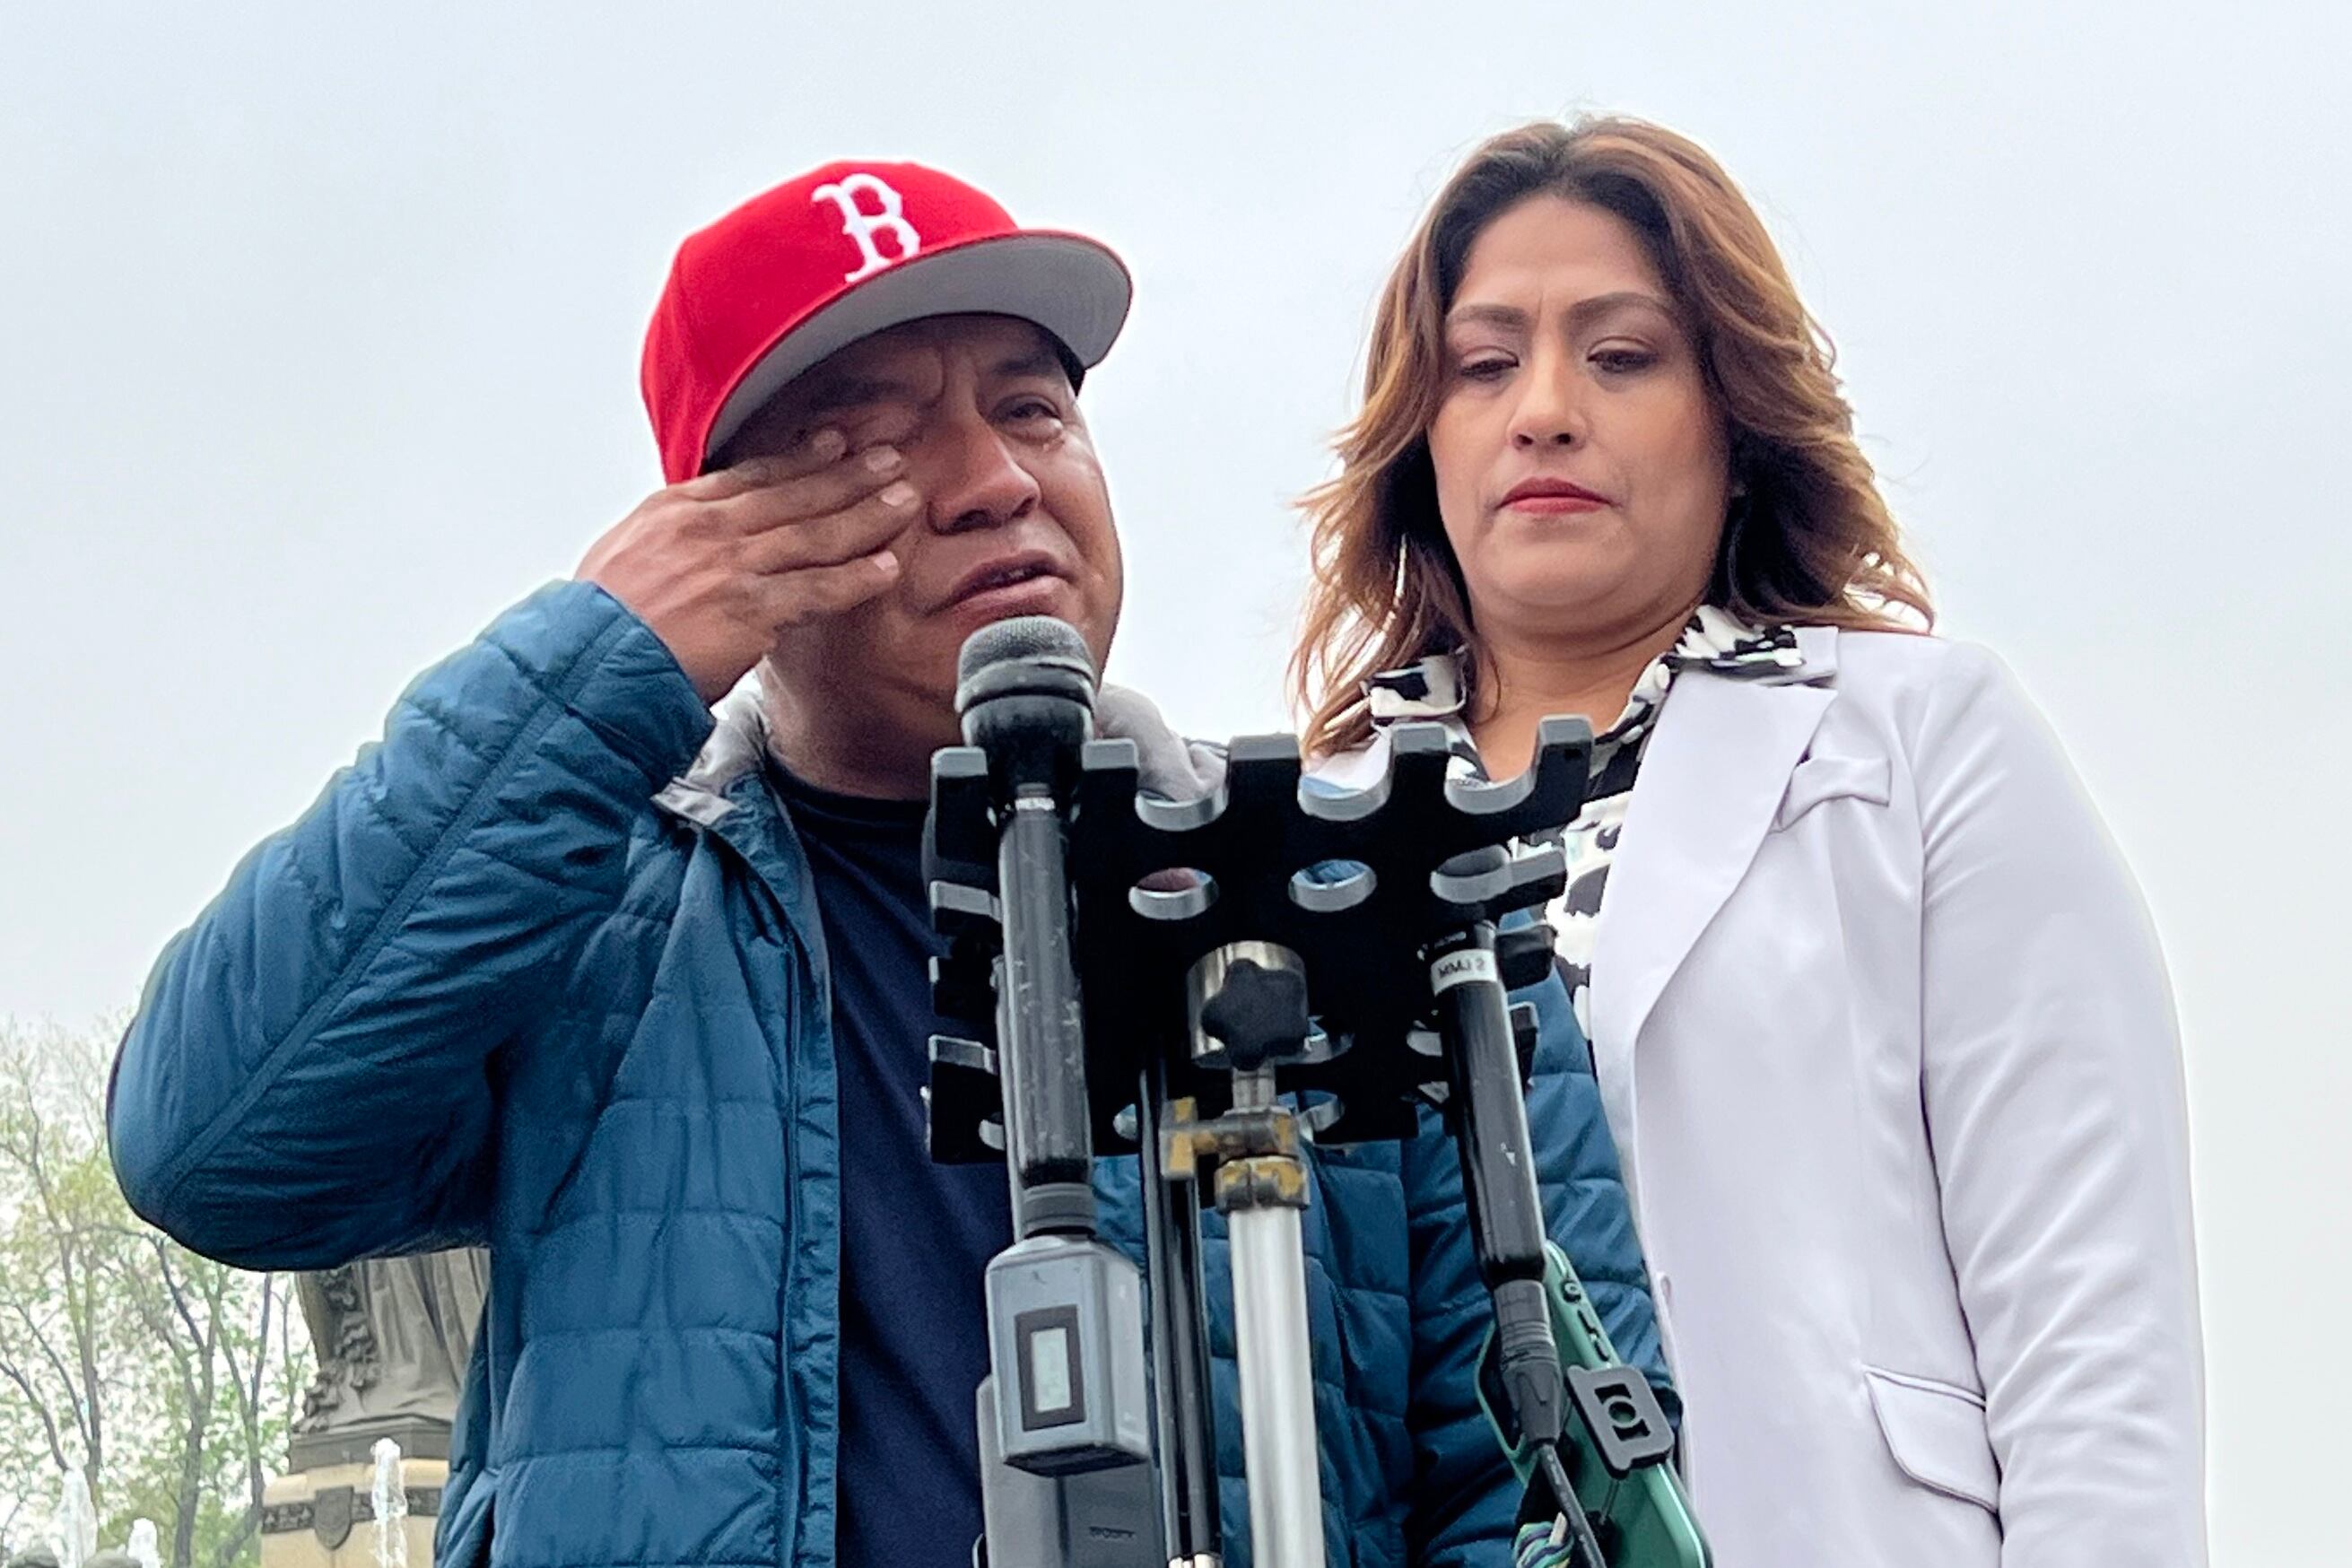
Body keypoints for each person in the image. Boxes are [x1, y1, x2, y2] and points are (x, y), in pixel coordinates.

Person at [106, 160, 1668, 1568]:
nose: (993, 477)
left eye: (1034, 409)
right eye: (865, 442)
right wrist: (596, 670)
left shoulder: (1354, 892)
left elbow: (1538, 1479)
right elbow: (218, 1147)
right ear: (720, 535)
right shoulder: (590, 933)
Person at [1294, 118, 2205, 1565]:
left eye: (1619, 355)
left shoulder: (1918, 739)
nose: (1542, 409)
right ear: (1425, 439)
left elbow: (2088, 1315)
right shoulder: (1299, 838)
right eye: (1483, 364)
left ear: (1733, 416)